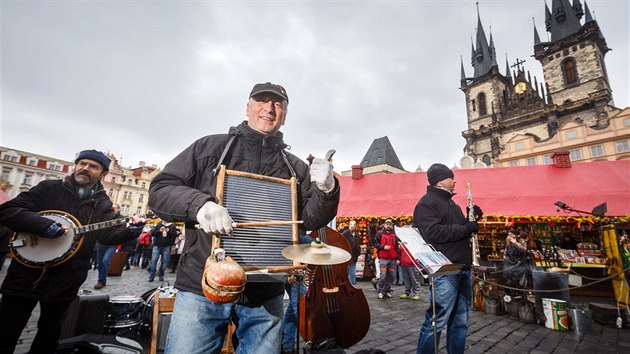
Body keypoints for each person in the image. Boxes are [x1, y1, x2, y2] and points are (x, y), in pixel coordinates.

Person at [148, 82, 339, 354]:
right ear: (248, 106)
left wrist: (327, 190)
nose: (269, 109)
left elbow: (310, 220)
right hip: (204, 285)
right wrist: (200, 205)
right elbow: (160, 190)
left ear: (285, 114)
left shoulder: (295, 167)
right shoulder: (209, 147)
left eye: (278, 104)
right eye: (262, 101)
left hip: (266, 289)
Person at [0, 149, 145, 353]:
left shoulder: (102, 204)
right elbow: (7, 211)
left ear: (103, 174)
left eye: (93, 166)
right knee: (5, 332)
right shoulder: (49, 188)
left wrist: (131, 231)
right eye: (82, 163)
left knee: (48, 337)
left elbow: (105, 236)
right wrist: (42, 225)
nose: (85, 168)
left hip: (66, 279)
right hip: (25, 274)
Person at [412, 163, 482, 354]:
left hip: (462, 266)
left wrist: (471, 220)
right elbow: (433, 233)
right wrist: (467, 228)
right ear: (441, 180)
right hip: (445, 269)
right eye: (451, 178)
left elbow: (460, 232)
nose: (455, 181)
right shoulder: (427, 203)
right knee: (437, 319)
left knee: (460, 321)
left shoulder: (452, 203)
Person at [93, 202, 123, 289]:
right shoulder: (104, 217)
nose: (112, 210)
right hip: (101, 242)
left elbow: (120, 230)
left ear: (118, 209)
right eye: (111, 208)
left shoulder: (121, 219)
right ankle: (101, 279)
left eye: (114, 208)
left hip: (112, 243)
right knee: (99, 262)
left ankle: (101, 280)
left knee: (105, 260)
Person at [372, 219, 399, 299]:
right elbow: (375, 244)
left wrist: (397, 258)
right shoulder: (380, 233)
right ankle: (380, 291)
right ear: (384, 225)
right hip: (383, 258)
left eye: (390, 224)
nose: (388, 225)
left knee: (391, 276)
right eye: (387, 224)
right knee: (383, 276)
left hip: (392, 259)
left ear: (392, 225)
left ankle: (387, 291)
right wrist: (383, 247)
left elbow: (396, 247)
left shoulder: (395, 234)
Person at [342, 220, 362, 285]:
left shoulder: (357, 235)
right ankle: (350, 285)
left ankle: (352, 285)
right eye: (351, 225)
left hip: (354, 256)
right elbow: (341, 243)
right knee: (346, 272)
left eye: (354, 225)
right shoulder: (345, 234)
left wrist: (359, 253)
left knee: (352, 272)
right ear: (349, 225)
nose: (352, 226)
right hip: (346, 256)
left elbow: (358, 245)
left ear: (356, 226)